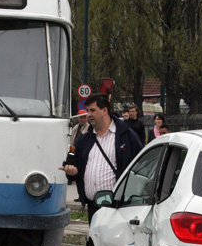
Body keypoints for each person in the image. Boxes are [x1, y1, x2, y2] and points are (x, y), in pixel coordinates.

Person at [59, 93, 143, 221]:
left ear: (104, 110)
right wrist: (72, 172)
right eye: (87, 111)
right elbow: (75, 164)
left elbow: (141, 165)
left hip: (118, 207)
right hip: (93, 206)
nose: (88, 114)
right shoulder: (85, 139)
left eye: (92, 110)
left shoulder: (126, 136)